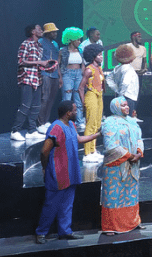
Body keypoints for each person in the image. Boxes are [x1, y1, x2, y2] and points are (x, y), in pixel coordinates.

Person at [34, 101, 101, 244]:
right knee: (51, 204)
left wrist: (98, 134)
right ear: (68, 113)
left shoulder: (71, 124)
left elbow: (79, 139)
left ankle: (65, 231)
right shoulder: (56, 128)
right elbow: (44, 151)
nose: (77, 112)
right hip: (58, 173)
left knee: (67, 204)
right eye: (75, 110)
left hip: (71, 172)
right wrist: (45, 168)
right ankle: (41, 233)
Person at [100, 97, 144, 235]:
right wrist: (129, 156)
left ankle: (133, 221)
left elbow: (139, 139)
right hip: (116, 165)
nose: (127, 107)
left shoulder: (132, 121)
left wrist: (139, 153)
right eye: (123, 105)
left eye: (127, 105)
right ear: (116, 107)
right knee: (114, 195)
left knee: (131, 194)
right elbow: (111, 146)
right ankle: (110, 226)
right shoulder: (109, 122)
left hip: (133, 164)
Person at [78, 44, 105, 163]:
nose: (101, 57)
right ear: (93, 56)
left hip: (99, 96)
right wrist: (84, 103)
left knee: (97, 124)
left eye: (101, 54)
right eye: (99, 55)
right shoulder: (89, 70)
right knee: (90, 125)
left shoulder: (99, 68)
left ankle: (93, 150)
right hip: (91, 96)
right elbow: (80, 88)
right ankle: (87, 153)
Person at [59, 26, 86, 132]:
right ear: (71, 39)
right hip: (67, 74)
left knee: (78, 98)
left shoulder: (80, 50)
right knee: (67, 98)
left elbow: (82, 64)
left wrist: (84, 76)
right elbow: (58, 65)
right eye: (77, 39)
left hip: (79, 74)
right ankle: (64, 121)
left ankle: (79, 121)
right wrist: (60, 77)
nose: (79, 41)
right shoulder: (62, 51)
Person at [106, 45, 140, 125]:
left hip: (123, 95)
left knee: (120, 119)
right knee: (127, 120)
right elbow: (125, 83)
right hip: (128, 96)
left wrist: (116, 89)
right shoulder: (128, 68)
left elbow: (108, 78)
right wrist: (121, 94)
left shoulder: (117, 68)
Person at [37, 23, 60, 134]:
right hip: (45, 73)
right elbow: (37, 58)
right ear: (48, 33)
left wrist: (60, 76)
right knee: (44, 98)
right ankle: (40, 123)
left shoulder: (55, 44)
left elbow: (57, 61)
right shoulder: (40, 42)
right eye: (53, 32)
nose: (55, 34)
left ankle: (46, 121)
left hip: (54, 74)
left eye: (56, 32)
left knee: (51, 99)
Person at [126, 32, 147, 122]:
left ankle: (134, 114)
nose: (140, 38)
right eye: (138, 36)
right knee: (129, 94)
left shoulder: (143, 48)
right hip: (129, 74)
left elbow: (144, 61)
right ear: (133, 37)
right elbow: (123, 59)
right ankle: (128, 114)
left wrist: (144, 69)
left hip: (139, 74)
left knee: (137, 94)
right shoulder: (128, 47)